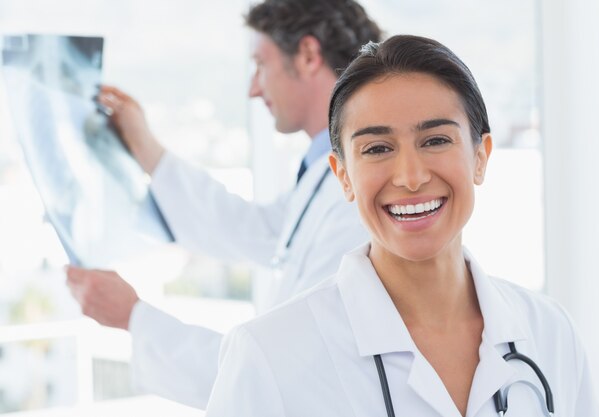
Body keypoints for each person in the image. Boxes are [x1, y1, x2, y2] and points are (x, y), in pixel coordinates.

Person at [204, 35, 599, 417]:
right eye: (377, 149)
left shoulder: (550, 332)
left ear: (480, 157)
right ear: (343, 176)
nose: (410, 177)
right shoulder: (268, 355)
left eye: (436, 140)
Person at [65, 0, 381, 409]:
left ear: (307, 55)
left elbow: (283, 368)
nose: (253, 87)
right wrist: (146, 149)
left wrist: (134, 317)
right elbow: (259, 231)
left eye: (260, 64)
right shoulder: (325, 171)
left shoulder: (360, 193)